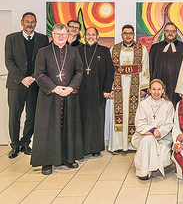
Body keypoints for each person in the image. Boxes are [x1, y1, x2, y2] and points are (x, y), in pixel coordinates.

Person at [31, 23, 84, 175]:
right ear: (52, 35)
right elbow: (39, 74)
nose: (61, 37)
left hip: (68, 95)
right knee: (48, 128)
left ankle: (68, 158)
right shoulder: (43, 52)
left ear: (68, 35)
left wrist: (71, 87)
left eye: (63, 34)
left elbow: (79, 71)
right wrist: (55, 88)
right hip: (49, 96)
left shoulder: (73, 51)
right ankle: (47, 162)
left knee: (68, 126)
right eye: (57, 34)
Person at [5, 12, 49, 158]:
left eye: (32, 22)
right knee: (14, 116)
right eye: (27, 21)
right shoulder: (11, 38)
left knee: (32, 115)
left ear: (36, 23)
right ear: (22, 22)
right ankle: (15, 146)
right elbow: (9, 61)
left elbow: (44, 61)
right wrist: (22, 78)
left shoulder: (43, 39)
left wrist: (33, 77)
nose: (30, 24)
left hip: (35, 84)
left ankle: (25, 143)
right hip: (16, 84)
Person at [108, 25, 150, 153]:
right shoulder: (113, 49)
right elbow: (110, 71)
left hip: (135, 88)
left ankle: (133, 145)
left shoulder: (141, 49)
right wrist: (111, 88)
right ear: (121, 35)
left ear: (134, 35)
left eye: (130, 33)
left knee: (135, 114)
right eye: (125, 33)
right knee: (118, 116)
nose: (128, 36)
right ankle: (117, 145)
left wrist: (144, 88)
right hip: (118, 87)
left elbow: (145, 69)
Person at [76, 27, 114, 157]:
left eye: (93, 34)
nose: (90, 37)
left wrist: (107, 90)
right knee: (82, 119)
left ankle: (96, 148)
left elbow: (110, 71)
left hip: (98, 91)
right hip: (81, 91)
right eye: (88, 34)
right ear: (84, 36)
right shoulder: (78, 50)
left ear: (98, 36)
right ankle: (83, 147)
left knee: (97, 119)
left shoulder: (103, 51)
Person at [131, 79, 174, 180]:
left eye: (159, 89)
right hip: (143, 136)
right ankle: (144, 172)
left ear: (163, 90)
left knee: (163, 158)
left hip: (162, 138)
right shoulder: (143, 104)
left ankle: (145, 167)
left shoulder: (168, 105)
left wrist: (159, 132)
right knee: (148, 139)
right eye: (154, 89)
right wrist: (152, 130)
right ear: (149, 90)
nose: (156, 92)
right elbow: (139, 123)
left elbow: (169, 124)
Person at [148, 22, 183, 107]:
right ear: (164, 32)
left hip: (178, 86)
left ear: (176, 32)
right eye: (167, 31)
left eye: (172, 31)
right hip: (160, 86)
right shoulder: (155, 48)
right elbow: (150, 68)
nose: (170, 33)